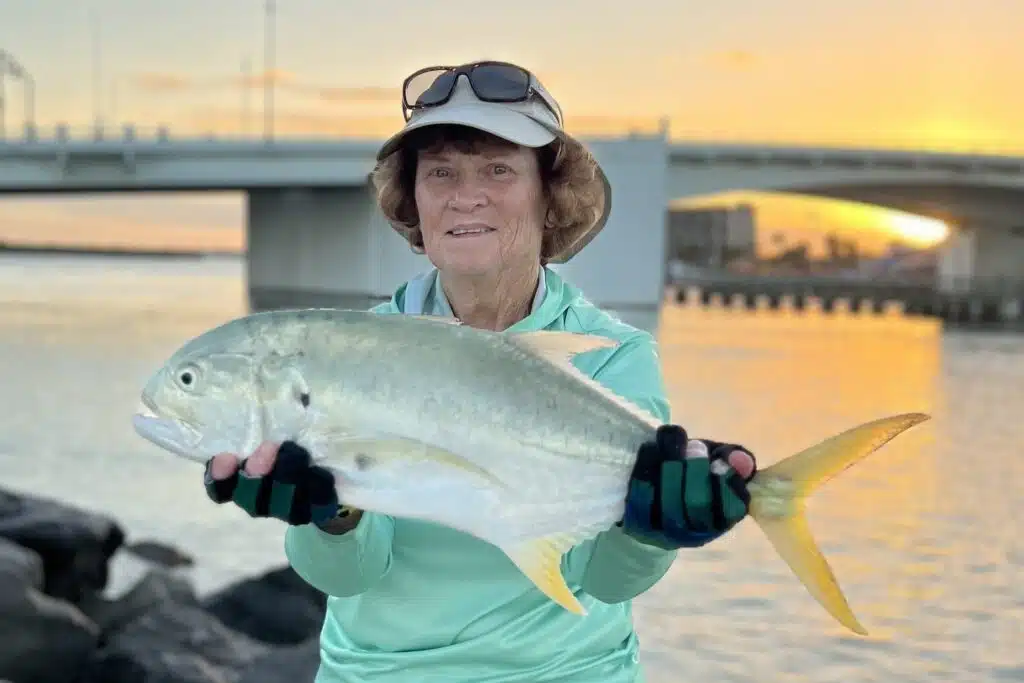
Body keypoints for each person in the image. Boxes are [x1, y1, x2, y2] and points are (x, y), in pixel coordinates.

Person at [203, 61, 757, 683]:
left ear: (551, 196)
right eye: (440, 172)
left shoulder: (610, 354)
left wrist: (654, 533)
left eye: (498, 169)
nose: (466, 195)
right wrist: (327, 518)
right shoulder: (356, 354)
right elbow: (346, 577)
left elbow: (603, 580)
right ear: (413, 200)